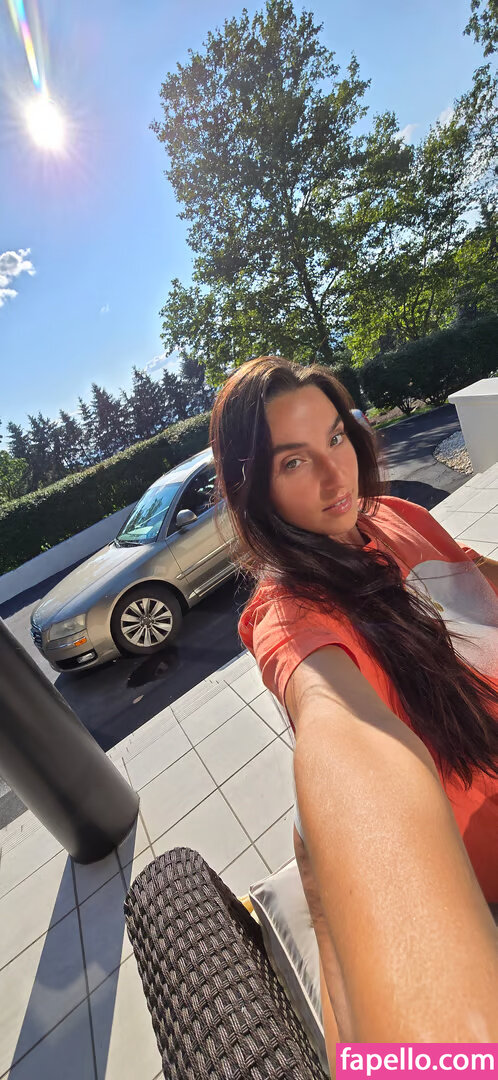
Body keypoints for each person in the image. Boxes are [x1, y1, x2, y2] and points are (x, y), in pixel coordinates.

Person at [209, 355, 498, 1071]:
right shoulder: (288, 620)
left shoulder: (394, 517)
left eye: (336, 437)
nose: (336, 476)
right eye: (294, 462)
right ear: (254, 489)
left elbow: (475, 579)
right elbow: (336, 728)